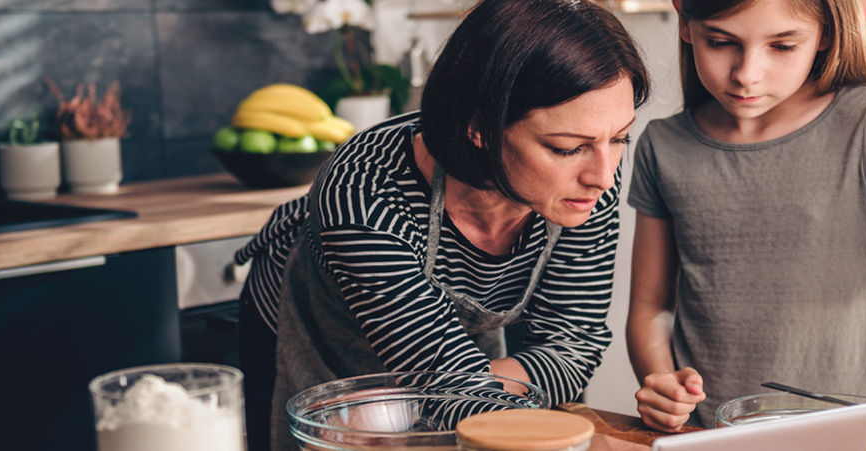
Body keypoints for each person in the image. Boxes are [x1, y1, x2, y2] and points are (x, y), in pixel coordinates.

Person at [233, 0, 651, 449]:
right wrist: (447, 391)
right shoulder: (363, 190)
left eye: (620, 137)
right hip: (312, 339)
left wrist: (437, 394)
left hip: (452, 354)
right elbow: (448, 384)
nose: (603, 176)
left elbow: (573, 343)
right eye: (568, 148)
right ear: (481, 128)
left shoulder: (588, 176)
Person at [624, 0, 866, 450]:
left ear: (825, 33)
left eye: (782, 45)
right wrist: (659, 380)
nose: (747, 73)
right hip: (708, 437)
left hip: (850, 440)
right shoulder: (662, 146)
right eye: (721, 42)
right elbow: (650, 307)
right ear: (684, 21)